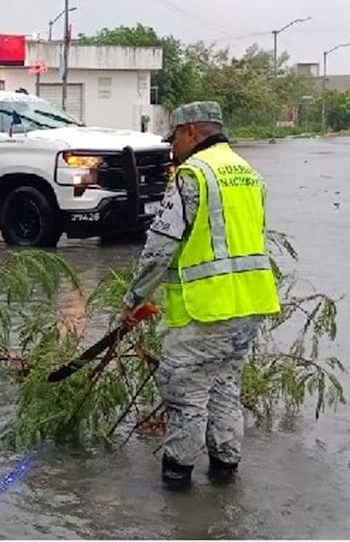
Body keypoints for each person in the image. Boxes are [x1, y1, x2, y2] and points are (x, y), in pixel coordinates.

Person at [119, 101, 280, 489]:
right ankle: (224, 477)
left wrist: (133, 300)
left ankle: (178, 484)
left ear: (190, 132)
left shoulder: (192, 175)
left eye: (173, 137)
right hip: (250, 304)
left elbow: (160, 247)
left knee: (185, 394)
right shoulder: (249, 173)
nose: (171, 147)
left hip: (205, 310)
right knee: (225, 387)